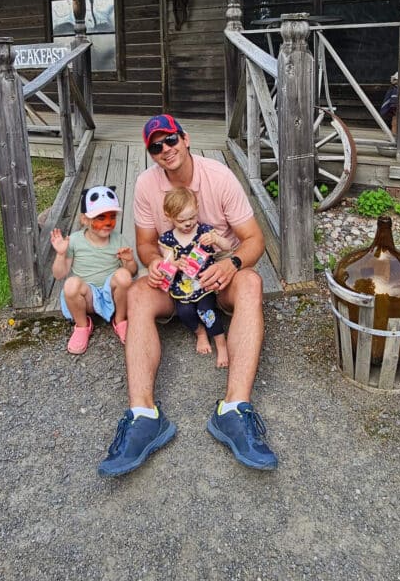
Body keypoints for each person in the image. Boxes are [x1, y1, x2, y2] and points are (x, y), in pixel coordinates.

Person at [97, 114, 278, 476]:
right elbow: (146, 245)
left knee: (252, 283)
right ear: (150, 153)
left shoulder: (219, 177)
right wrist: (158, 264)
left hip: (217, 277)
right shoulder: (147, 185)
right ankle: (144, 415)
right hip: (178, 285)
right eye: (156, 146)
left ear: (185, 138)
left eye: (170, 140)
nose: (165, 149)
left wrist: (233, 264)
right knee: (137, 293)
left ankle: (234, 409)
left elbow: (254, 239)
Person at [51, 185, 136, 355]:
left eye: (112, 217)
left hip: (111, 296)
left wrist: (129, 261)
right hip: (87, 298)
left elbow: (132, 272)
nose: (108, 222)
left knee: (124, 276)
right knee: (71, 284)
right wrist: (61, 254)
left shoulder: (118, 239)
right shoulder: (74, 240)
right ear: (84, 219)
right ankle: (82, 325)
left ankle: (120, 320)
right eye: (100, 217)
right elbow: (59, 274)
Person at [155, 186, 233, 368]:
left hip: (205, 283)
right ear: (169, 216)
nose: (188, 223)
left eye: (191, 217)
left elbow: (228, 247)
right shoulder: (168, 240)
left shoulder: (205, 232)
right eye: (182, 220)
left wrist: (216, 240)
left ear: (197, 209)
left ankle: (221, 344)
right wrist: (174, 264)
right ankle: (200, 333)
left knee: (207, 311)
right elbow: (165, 265)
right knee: (185, 312)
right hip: (182, 286)